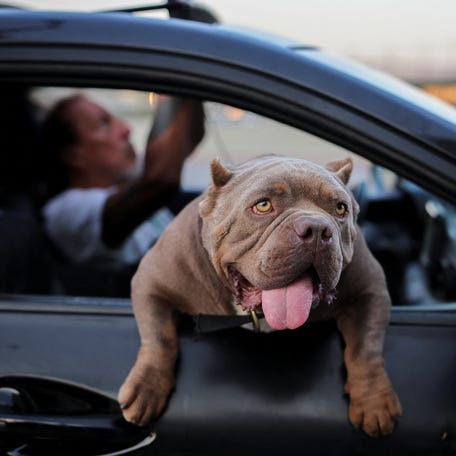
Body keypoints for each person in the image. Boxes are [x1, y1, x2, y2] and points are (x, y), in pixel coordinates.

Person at [40, 93, 205, 269]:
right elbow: (159, 180)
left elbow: (187, 138)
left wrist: (189, 93)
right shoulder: (65, 211)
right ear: (73, 156)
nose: (126, 129)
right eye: (104, 123)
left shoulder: (125, 176)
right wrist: (169, 89)